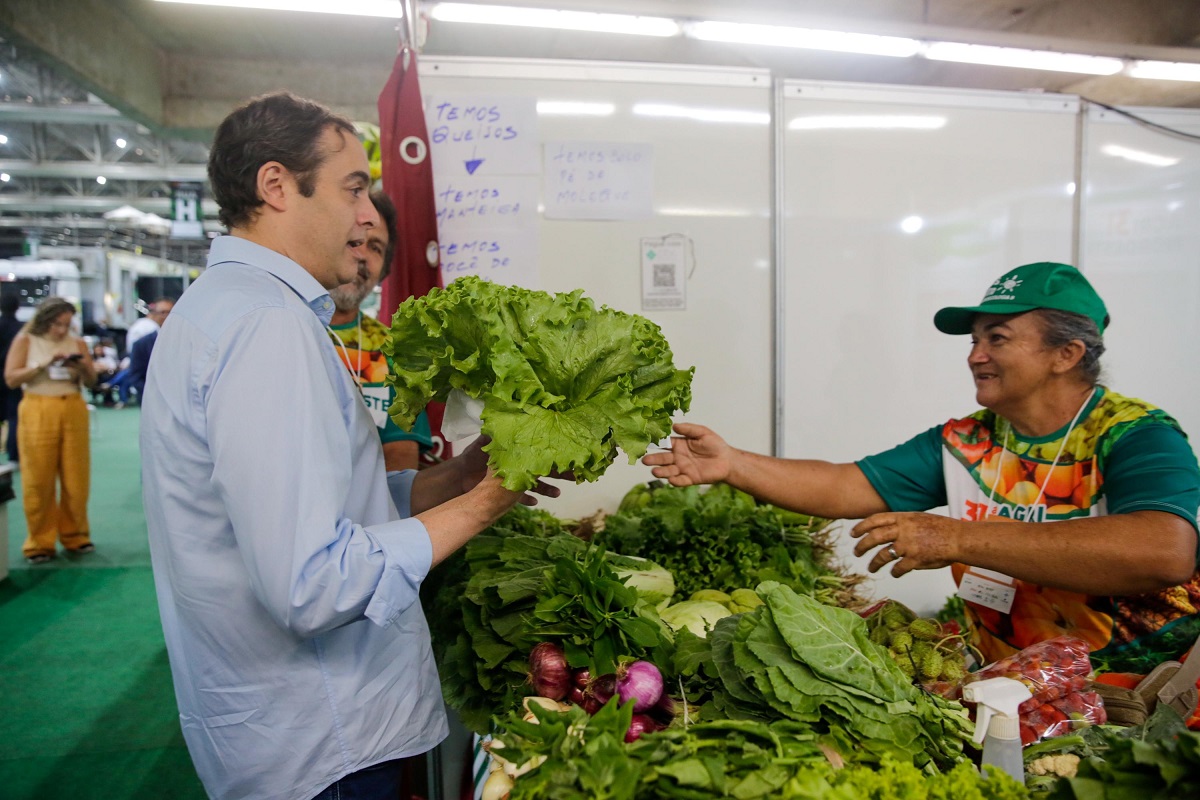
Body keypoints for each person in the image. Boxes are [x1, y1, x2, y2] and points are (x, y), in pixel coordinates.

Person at [140, 91, 561, 800]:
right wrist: (488, 504)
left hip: (296, 731)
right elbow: (311, 582)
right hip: (321, 744)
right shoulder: (265, 328)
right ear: (277, 186)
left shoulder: (235, 309)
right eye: (354, 188)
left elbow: (328, 507)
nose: (368, 215)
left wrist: (458, 477)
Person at [645, 262, 1200, 673]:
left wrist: (957, 538)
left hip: (1140, 692)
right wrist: (734, 463)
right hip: (1017, 683)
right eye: (976, 338)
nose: (975, 354)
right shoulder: (967, 442)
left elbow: (1164, 550)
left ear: (1066, 354)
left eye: (997, 338)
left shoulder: (1135, 434)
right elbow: (844, 486)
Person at [328, 190, 432, 472]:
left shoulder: (391, 350)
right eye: (354, 239)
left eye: (375, 247)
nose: (361, 254)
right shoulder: (287, 328)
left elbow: (400, 461)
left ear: (384, 270)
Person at [3, 296, 97, 563]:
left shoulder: (77, 342)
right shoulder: (25, 340)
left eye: (66, 325)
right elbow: (11, 378)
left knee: (76, 477)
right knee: (38, 478)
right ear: (44, 320)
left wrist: (81, 366)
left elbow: (92, 381)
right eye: (57, 324)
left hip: (73, 406)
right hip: (37, 407)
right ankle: (40, 543)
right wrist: (42, 365)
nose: (61, 330)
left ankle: (76, 536)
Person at [0, 294, 24, 463]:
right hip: (15, 375)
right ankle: (14, 456)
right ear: (17, 307)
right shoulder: (22, 329)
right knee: (15, 416)